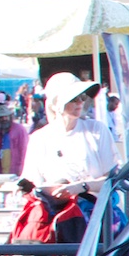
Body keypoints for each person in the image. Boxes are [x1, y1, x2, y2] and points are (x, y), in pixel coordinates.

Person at [22, 72, 118, 201]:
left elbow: (113, 179)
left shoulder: (96, 130)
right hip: (57, 214)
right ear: (56, 104)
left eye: (82, 97)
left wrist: (81, 187)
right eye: (73, 98)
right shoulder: (39, 138)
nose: (80, 102)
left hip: (96, 213)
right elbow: (32, 183)